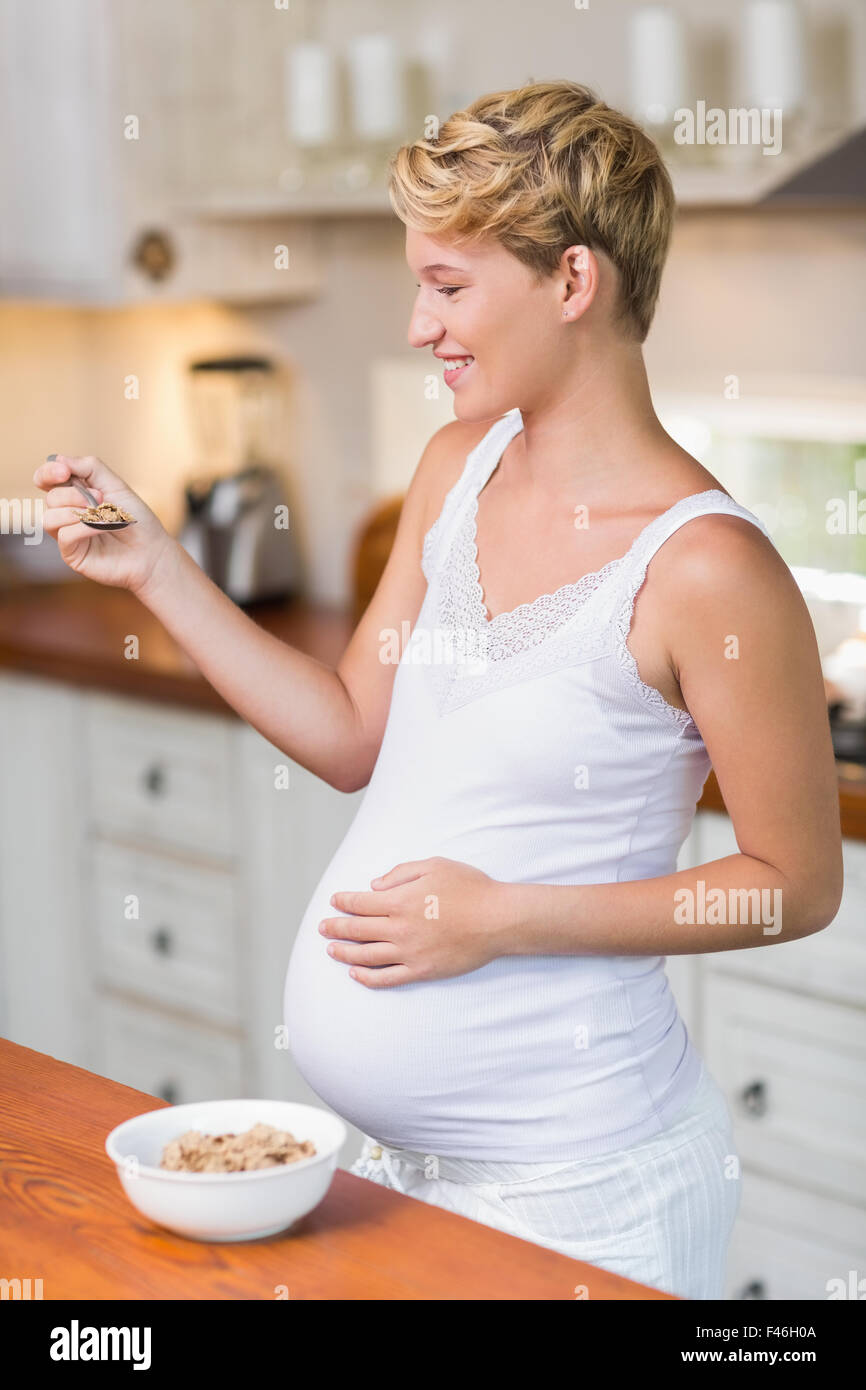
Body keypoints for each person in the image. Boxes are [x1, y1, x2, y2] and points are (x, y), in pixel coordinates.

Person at [35, 79, 842, 1300]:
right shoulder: (455, 468)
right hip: (402, 1175)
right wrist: (157, 564)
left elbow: (792, 886)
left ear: (573, 284)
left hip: (586, 1192)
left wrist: (504, 916)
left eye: (450, 286)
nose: (420, 325)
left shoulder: (706, 569)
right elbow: (353, 730)